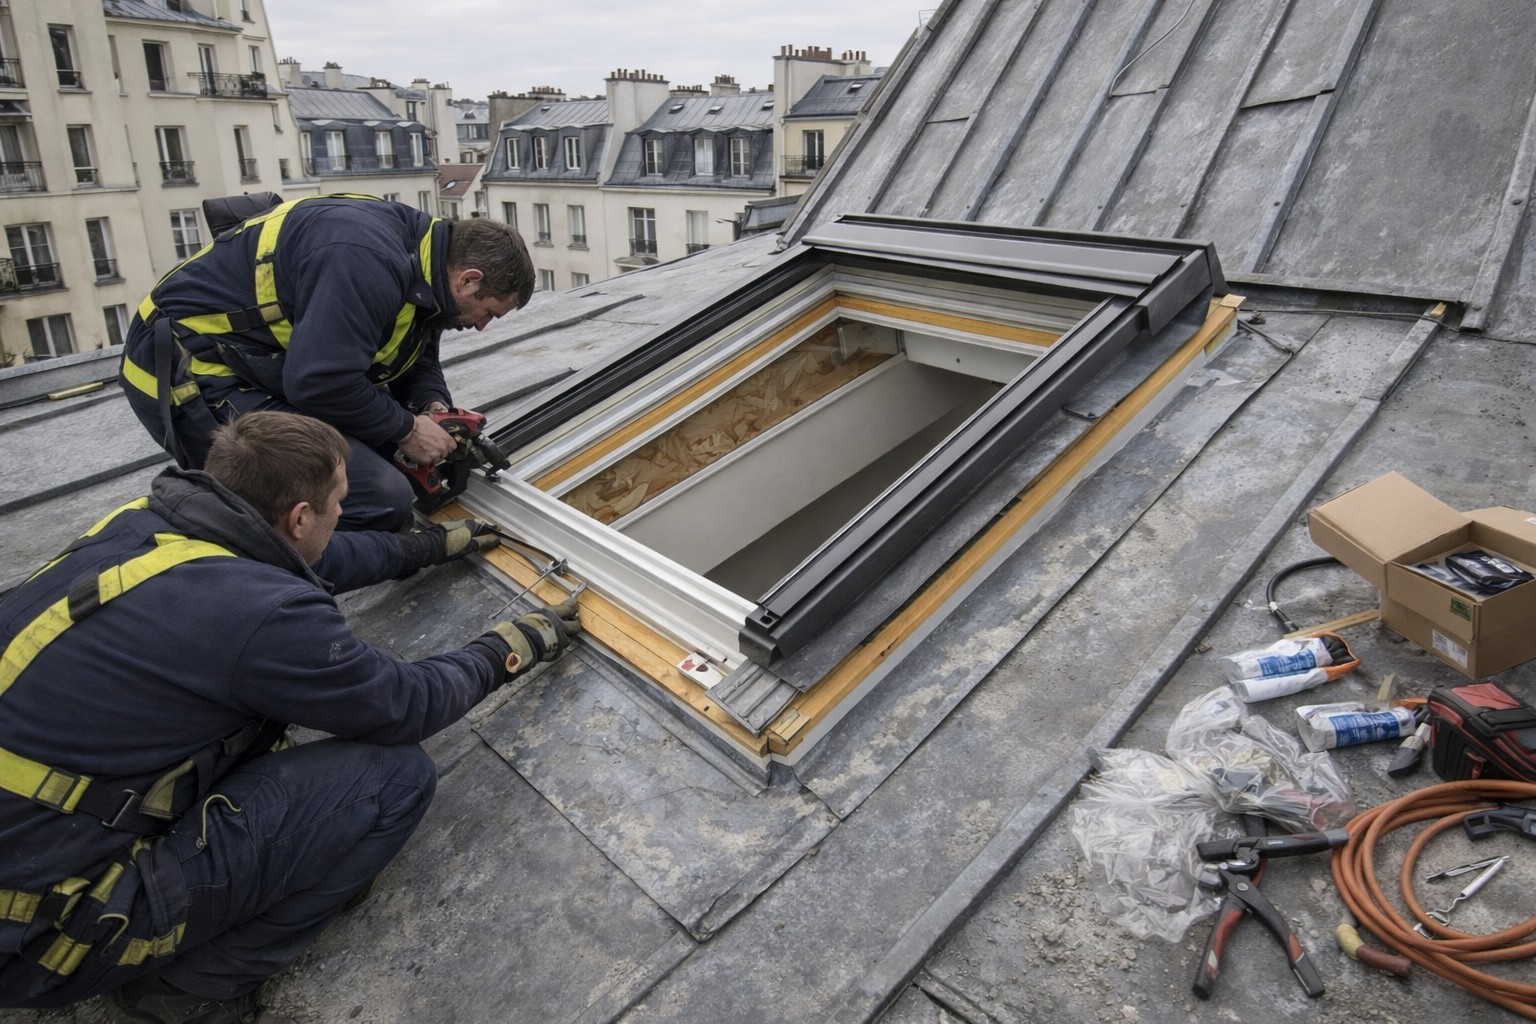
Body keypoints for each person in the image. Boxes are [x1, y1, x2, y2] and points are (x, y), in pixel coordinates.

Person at [0, 411, 581, 1024]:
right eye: (338, 504)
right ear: (300, 516)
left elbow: (313, 557)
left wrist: (429, 545)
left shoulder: (145, 528)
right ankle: (190, 989)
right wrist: (504, 650)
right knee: (390, 781)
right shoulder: (260, 614)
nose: (340, 516)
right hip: (39, 937)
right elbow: (402, 705)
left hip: (25, 847)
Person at [119, 194, 535, 533]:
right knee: (378, 499)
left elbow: (414, 346)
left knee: (383, 451)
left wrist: (431, 406)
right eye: (489, 313)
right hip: (189, 367)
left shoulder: (428, 258)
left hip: (269, 362)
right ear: (469, 280)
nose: (482, 327)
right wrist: (407, 430)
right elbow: (319, 382)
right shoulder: (364, 258)